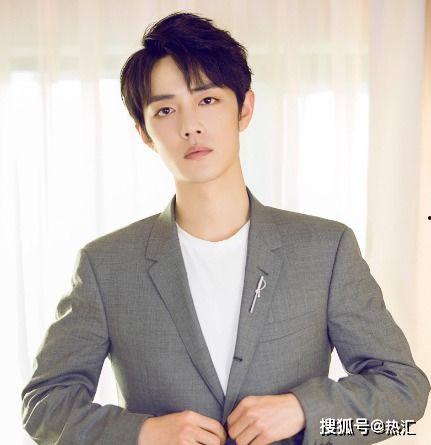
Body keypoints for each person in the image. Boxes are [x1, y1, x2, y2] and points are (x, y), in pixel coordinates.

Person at [21, 11, 429, 445]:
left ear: (244, 108)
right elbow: (43, 406)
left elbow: (404, 400)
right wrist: (143, 433)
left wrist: (304, 412)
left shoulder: (326, 249)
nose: (190, 126)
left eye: (208, 100)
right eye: (165, 110)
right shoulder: (106, 265)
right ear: (144, 132)